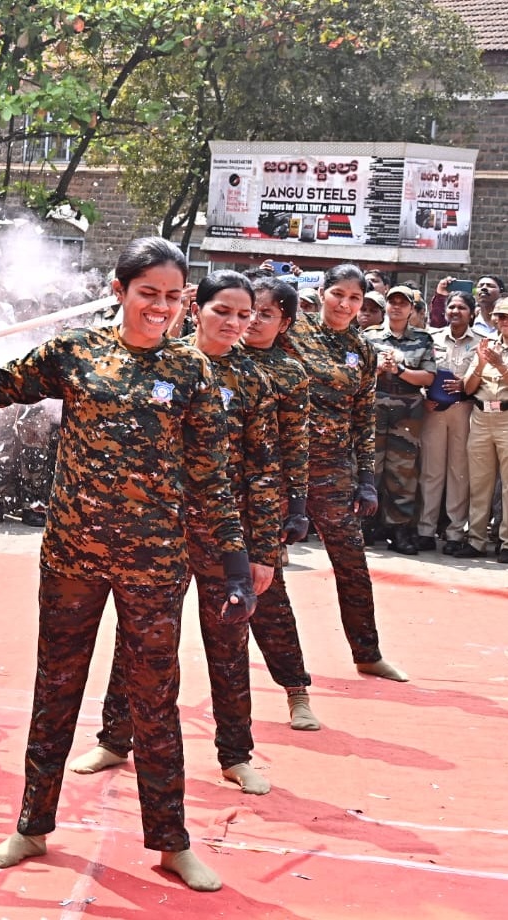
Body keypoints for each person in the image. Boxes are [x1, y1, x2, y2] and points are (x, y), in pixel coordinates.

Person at [0, 238, 250, 892]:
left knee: (155, 698)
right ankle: (31, 826)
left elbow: (212, 478)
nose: (161, 309)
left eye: (173, 298)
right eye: (148, 294)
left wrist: (232, 561)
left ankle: (171, 841)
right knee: (55, 689)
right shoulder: (74, 353)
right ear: (119, 291)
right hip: (70, 557)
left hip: (153, 565)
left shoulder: (192, 371)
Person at [69, 270, 280, 795]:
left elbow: (263, 471)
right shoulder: (164, 361)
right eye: (221, 311)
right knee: (138, 641)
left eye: (243, 314)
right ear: (196, 307)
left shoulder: (256, 381)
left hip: (223, 534)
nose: (234, 322)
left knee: (228, 642)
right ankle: (115, 740)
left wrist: (264, 550)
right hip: (154, 530)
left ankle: (236, 754)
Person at [281, 264, 407, 680]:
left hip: (332, 470)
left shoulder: (364, 350)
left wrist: (366, 480)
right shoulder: (290, 334)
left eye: (354, 298)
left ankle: (367, 652)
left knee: (352, 562)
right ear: (321, 292)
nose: (345, 304)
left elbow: (362, 419)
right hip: (278, 466)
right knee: (247, 562)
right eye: (338, 294)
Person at [241, 277, 321, 730]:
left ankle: (297, 692)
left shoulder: (290, 373)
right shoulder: (209, 357)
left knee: (270, 604)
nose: (252, 320)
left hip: (260, 504)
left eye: (266, 313)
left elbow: (296, 445)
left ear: (285, 322)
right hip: (198, 502)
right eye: (248, 309)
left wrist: (296, 506)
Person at [363, 285, 435, 554]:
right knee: (370, 466)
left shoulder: (423, 339)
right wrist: (377, 369)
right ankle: (367, 523)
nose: (396, 307)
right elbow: (355, 371)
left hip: (407, 408)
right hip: (375, 404)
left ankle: (400, 528)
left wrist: (400, 369)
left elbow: (428, 377)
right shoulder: (369, 336)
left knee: (402, 470)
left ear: (411, 309)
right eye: (392, 302)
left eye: (402, 303)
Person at [418, 292, 479, 554]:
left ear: (472, 313)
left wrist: (466, 388)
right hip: (433, 411)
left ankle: (455, 532)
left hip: (463, 411)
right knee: (431, 472)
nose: (456, 311)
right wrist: (422, 398)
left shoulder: (482, 343)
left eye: (462, 307)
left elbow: (484, 380)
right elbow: (422, 372)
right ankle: (425, 530)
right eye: (452, 306)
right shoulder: (431, 338)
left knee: (459, 473)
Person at [457, 301, 508, 561]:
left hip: (506, 417)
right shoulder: (486, 344)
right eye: (500, 316)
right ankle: (476, 539)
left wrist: (500, 365)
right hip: (480, 414)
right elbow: (467, 387)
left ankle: (506, 543)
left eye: (507, 316)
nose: (503, 320)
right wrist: (480, 363)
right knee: (479, 482)